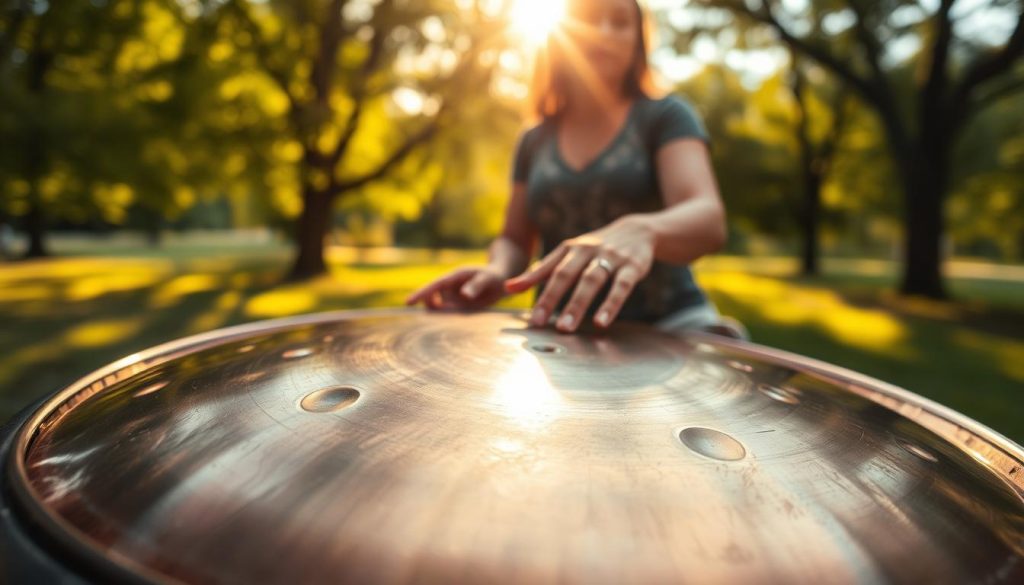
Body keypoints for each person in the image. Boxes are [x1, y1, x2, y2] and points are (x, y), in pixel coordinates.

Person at [407, 0, 746, 339]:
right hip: (563, 329)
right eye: (589, 19)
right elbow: (514, 239)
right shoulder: (534, 138)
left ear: (638, 39)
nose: (604, 32)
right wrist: (497, 272)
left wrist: (645, 230)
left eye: (619, 22)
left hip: (671, 327)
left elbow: (707, 218)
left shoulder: (666, 116)